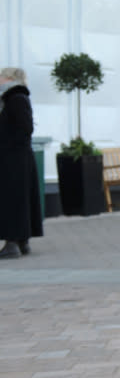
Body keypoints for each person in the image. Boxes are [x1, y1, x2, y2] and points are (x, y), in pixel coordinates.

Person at [0, 67, 43, 259]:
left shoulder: (16, 98)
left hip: (14, 159)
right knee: (19, 199)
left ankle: (12, 243)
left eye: (1, 76)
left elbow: (25, 128)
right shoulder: (12, 98)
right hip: (16, 158)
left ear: (9, 78)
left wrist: (8, 145)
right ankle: (21, 241)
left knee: (12, 200)